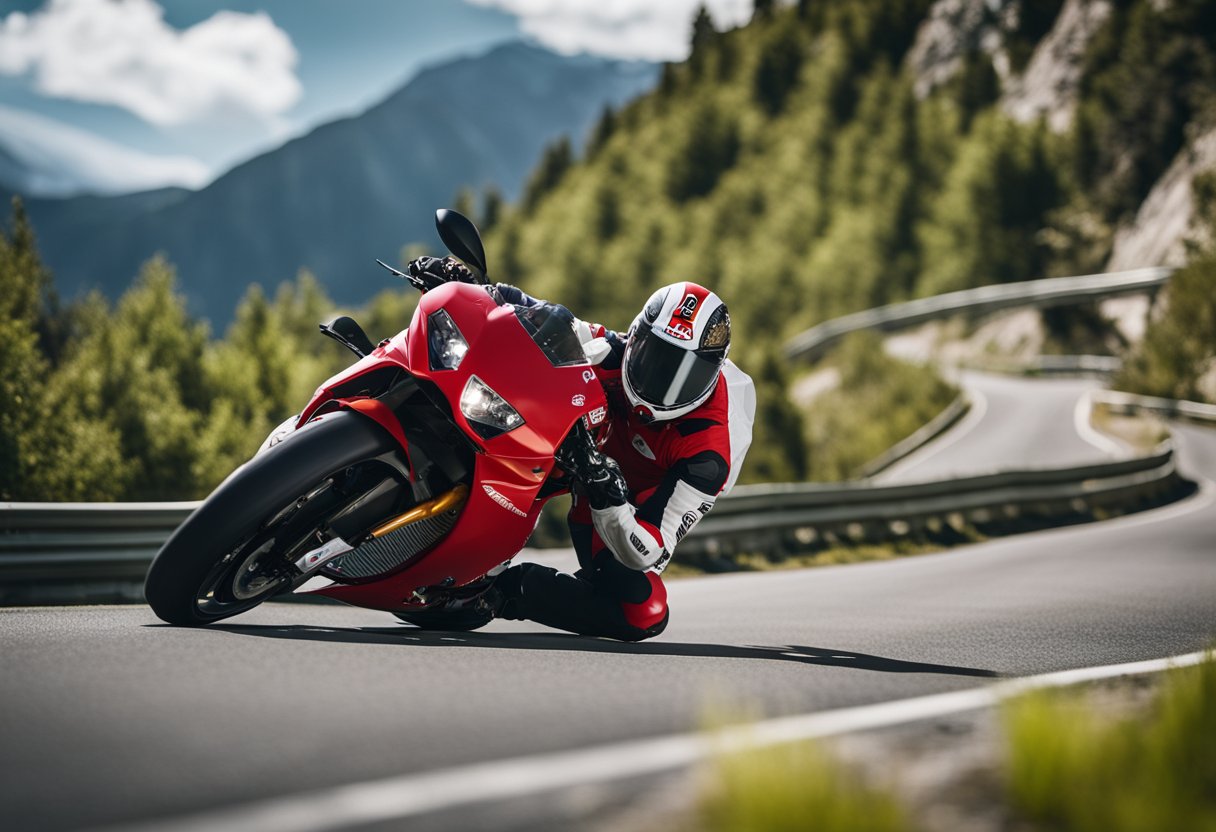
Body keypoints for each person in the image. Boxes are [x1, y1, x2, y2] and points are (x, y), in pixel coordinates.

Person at [406, 256, 756, 641]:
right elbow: (545, 317)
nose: (662, 386)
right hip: (582, 442)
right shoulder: (615, 350)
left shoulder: (709, 455)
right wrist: (472, 287)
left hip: (625, 501)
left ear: (712, 374)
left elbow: (649, 549)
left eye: (686, 376)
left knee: (643, 611)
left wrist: (609, 497)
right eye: (655, 359)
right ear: (636, 337)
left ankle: (499, 594)